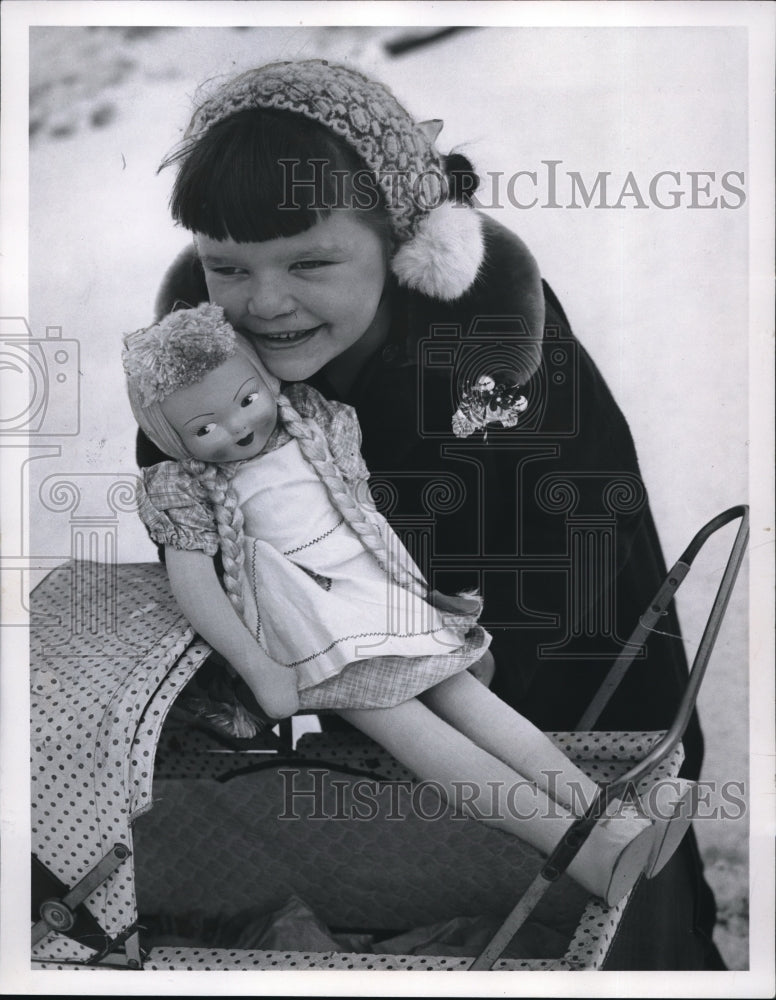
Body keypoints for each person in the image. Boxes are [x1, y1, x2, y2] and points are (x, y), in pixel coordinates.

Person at [135, 59, 724, 967]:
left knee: (593, 906)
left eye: (311, 262)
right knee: (390, 895)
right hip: (343, 680)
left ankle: (655, 932)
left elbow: (565, 552)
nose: (263, 301)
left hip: (547, 647)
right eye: (227, 266)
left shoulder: (492, 353)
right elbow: (198, 534)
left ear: (408, 244)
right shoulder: (210, 374)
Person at [124, 301, 696, 910]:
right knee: (426, 742)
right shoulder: (182, 486)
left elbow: (366, 518)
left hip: (382, 600)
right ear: (170, 438)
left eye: (244, 401)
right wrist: (262, 669)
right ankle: (582, 855)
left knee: (484, 710)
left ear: (265, 381)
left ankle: (605, 813)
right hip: (314, 626)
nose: (237, 428)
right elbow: (196, 585)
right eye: (203, 427)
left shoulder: (309, 425)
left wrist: (421, 594)